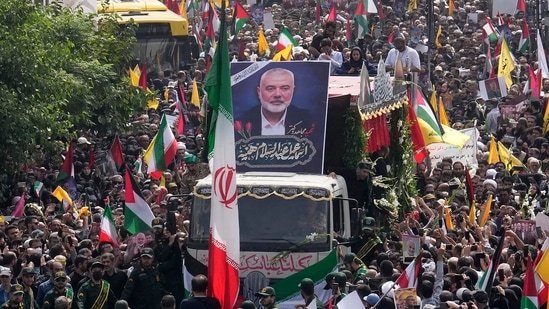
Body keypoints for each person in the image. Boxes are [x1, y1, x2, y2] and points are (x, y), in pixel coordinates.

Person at [237, 68, 316, 139]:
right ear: (259, 92)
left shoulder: (308, 121)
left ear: (293, 91)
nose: (277, 94)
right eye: (270, 88)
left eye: (285, 88)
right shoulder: (240, 122)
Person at [151, 217, 184, 306]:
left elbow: (175, 259)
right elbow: (161, 256)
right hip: (162, 279)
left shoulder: (168, 239)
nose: (157, 230)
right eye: (155, 228)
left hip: (175, 277)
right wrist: (169, 245)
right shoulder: (153, 243)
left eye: (159, 228)